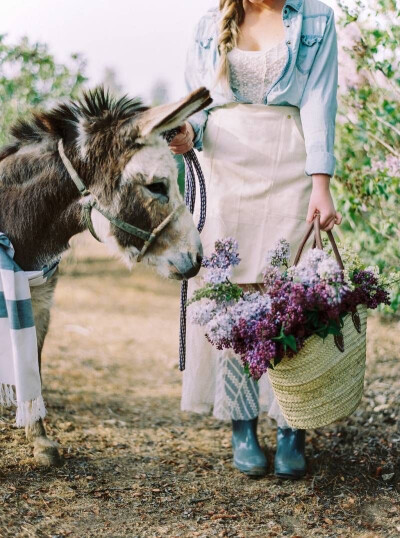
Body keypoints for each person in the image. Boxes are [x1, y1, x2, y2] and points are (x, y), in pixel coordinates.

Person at [169, 0, 342, 479]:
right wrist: (186, 134)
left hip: (291, 161)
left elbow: (319, 99)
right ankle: (242, 425)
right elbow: (198, 108)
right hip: (225, 168)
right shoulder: (208, 24)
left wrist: (321, 183)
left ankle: (292, 426)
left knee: (291, 295)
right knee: (231, 297)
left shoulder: (316, 18)